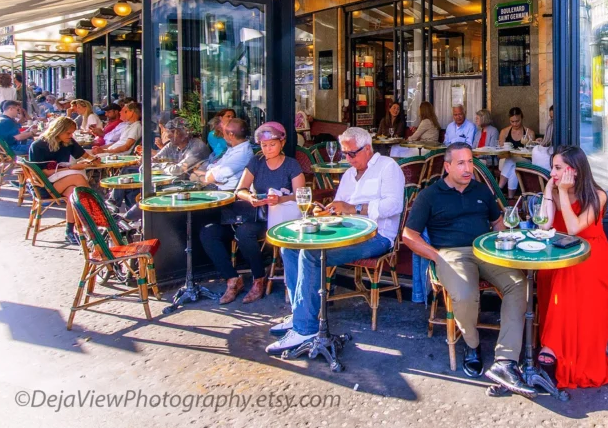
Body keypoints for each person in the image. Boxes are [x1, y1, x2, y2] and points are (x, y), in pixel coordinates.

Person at [403, 142, 532, 394]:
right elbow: (409, 235)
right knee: (464, 294)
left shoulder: (481, 190)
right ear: (447, 166)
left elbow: (497, 223)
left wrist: (507, 238)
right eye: (461, 163)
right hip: (451, 254)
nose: (468, 168)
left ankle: (505, 360)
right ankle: (472, 345)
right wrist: (436, 257)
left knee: (520, 285)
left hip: (486, 250)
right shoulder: (431, 194)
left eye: (470, 162)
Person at [268, 126, 404, 355]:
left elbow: (394, 206)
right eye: (345, 154)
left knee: (311, 254)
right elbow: (340, 204)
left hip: (378, 236)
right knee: (290, 248)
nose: (348, 159)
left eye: (352, 153)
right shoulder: (350, 174)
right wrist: (327, 210)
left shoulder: (388, 167)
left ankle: (306, 328)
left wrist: (355, 208)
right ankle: (299, 314)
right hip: (345, 233)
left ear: (368, 148)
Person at [534, 146, 608, 389]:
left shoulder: (598, 196)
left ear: (573, 171)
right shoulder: (554, 191)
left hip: (590, 256)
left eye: (557, 168)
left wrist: (563, 193)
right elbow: (544, 226)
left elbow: (575, 228)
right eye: (552, 167)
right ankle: (554, 347)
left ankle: (553, 348)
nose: (552, 172)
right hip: (560, 252)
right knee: (553, 274)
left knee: (569, 274)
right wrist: (548, 190)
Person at [199, 122, 305, 305]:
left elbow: (300, 194)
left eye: (272, 144)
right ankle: (232, 279)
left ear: (282, 142)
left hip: (275, 218)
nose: (268, 149)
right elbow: (241, 189)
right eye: (264, 145)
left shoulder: (291, 165)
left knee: (244, 232)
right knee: (208, 232)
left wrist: (279, 199)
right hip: (253, 213)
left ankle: (258, 279)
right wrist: (251, 198)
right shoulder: (256, 161)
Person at [27, 116, 95, 244]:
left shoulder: (67, 141)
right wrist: (71, 167)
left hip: (59, 182)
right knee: (78, 177)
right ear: (58, 130)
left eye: (72, 133)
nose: (71, 135)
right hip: (42, 186)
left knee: (75, 193)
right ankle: (93, 217)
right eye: (68, 133)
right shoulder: (39, 146)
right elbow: (42, 173)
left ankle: (70, 230)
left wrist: (94, 159)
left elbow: (85, 155)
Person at [196, 118, 254, 191]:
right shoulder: (233, 148)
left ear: (231, 135)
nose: (223, 137)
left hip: (228, 194)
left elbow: (212, 177)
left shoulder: (242, 154)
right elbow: (213, 167)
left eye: (223, 134)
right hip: (218, 189)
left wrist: (202, 176)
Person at [497, 107, 535, 193]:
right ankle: (511, 198)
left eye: (517, 121)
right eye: (512, 121)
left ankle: (498, 189)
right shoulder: (504, 132)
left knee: (512, 160)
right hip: (507, 160)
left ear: (522, 118)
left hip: (525, 160)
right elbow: (500, 153)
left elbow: (531, 154)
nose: (515, 124)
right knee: (514, 166)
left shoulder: (529, 133)